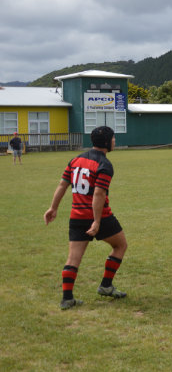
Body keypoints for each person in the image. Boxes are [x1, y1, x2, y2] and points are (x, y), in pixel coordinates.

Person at [43, 126, 128, 310]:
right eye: (113, 138)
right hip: (100, 217)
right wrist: (97, 221)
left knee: (73, 259)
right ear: (107, 142)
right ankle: (106, 286)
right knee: (120, 245)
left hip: (77, 216)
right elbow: (98, 194)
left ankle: (67, 299)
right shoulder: (104, 164)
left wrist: (53, 208)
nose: (115, 141)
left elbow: (62, 185)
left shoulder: (75, 160)